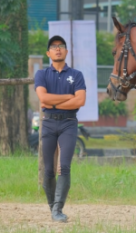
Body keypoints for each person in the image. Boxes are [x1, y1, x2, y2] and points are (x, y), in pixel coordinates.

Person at [34, 35, 86, 222]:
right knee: (48, 170)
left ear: (66, 51)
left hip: (69, 123)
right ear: (48, 53)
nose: (58, 49)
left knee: (64, 166)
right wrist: (67, 98)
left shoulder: (77, 75)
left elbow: (80, 100)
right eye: (54, 46)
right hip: (48, 123)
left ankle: (58, 209)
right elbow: (43, 99)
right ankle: (53, 208)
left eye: (61, 46)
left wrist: (53, 102)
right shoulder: (41, 74)